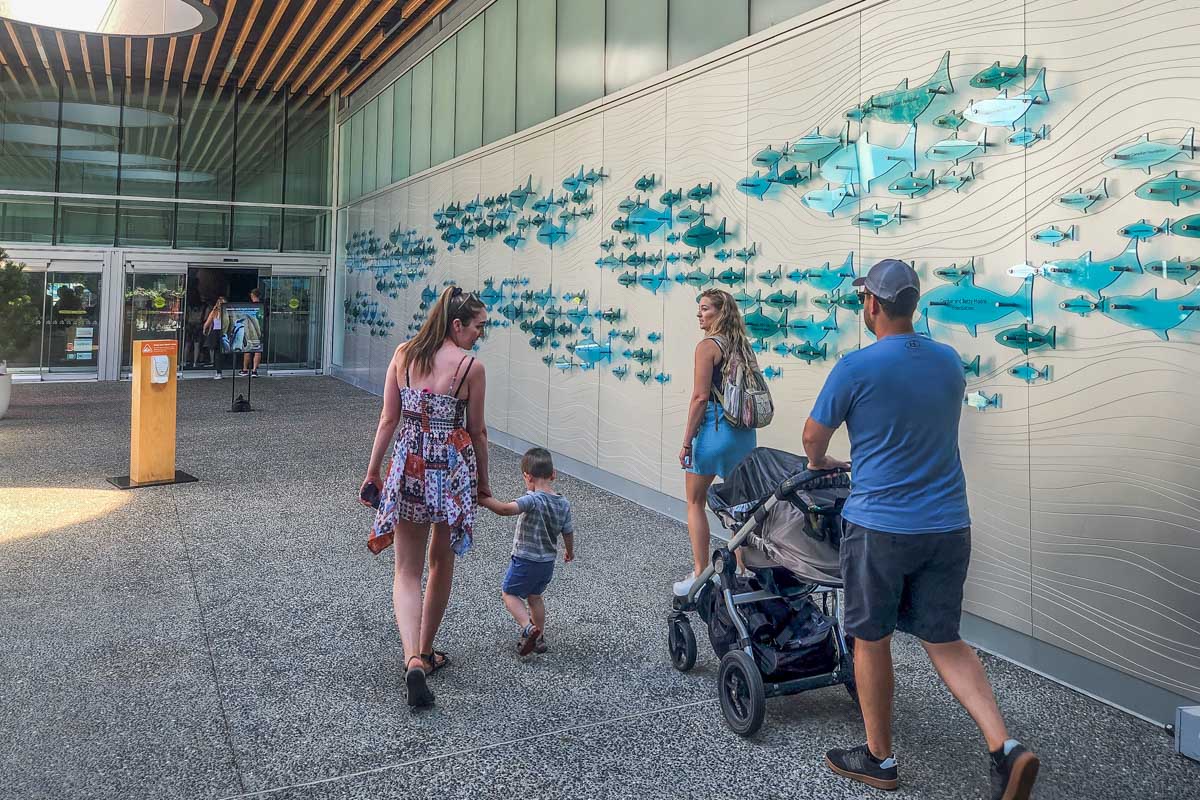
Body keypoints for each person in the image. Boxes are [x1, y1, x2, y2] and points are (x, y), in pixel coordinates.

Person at [802, 259, 1039, 800]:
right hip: (949, 524)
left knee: (871, 638)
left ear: (873, 306)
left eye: (864, 299)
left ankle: (879, 758)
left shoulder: (855, 367)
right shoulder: (948, 361)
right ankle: (1005, 749)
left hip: (880, 526)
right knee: (945, 640)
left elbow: (813, 436)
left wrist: (818, 462)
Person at [359, 286, 490, 709]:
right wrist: (482, 483)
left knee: (407, 570)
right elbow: (477, 432)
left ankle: (412, 657)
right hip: (450, 471)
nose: (479, 336)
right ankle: (427, 650)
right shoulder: (470, 367)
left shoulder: (403, 355)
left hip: (409, 466)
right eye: (478, 327)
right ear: (457, 324)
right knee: (440, 561)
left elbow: (387, 419)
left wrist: (373, 472)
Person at [673, 289, 758, 596]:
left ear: (719, 313)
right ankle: (744, 574)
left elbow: (700, 397)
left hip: (714, 429)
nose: (699, 314)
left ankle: (700, 573)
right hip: (743, 434)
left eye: (705, 308)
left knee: (695, 501)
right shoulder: (742, 345)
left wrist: (686, 441)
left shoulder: (707, 346)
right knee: (739, 508)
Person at [479, 447, 575, 657]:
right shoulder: (564, 503)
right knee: (535, 597)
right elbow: (567, 531)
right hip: (547, 562)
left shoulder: (532, 500)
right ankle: (539, 638)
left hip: (525, 560)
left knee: (509, 593)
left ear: (527, 476)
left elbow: (505, 509)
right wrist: (569, 551)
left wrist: (483, 499)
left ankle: (528, 627)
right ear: (553, 474)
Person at [240, 287, 265, 378]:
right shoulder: (263, 306)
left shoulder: (249, 306)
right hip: (260, 330)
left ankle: (245, 369)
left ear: (252, 295)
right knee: (258, 350)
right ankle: (254, 370)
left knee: (247, 350)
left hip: (250, 330)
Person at [203, 296, 226, 379]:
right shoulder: (225, 312)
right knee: (220, 352)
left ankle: (218, 372)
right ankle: (219, 371)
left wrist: (204, 329)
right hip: (222, 332)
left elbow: (207, 323)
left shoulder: (214, 312)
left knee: (217, 352)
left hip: (216, 332)